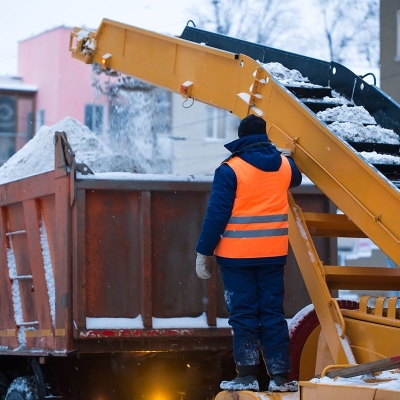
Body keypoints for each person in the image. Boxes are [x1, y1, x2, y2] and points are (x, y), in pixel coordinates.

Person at [195, 114, 302, 392]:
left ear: (241, 138)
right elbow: (296, 177)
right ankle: (280, 376)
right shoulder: (284, 167)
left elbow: (216, 214)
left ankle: (246, 375)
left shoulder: (230, 170)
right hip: (273, 254)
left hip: (237, 257)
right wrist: (284, 157)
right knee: (272, 314)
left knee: (244, 314)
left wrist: (204, 250)